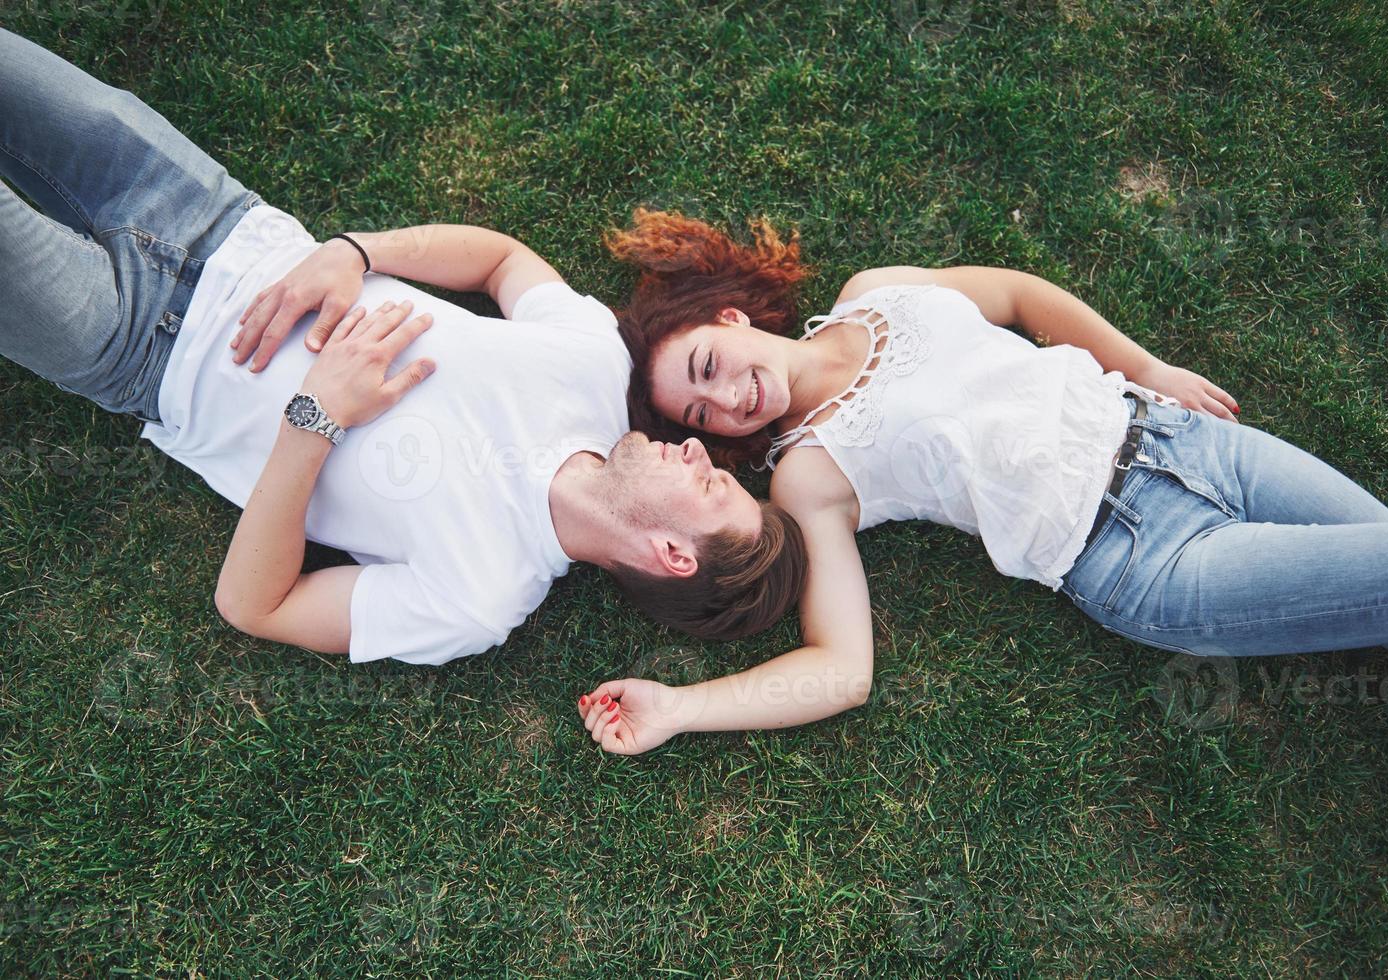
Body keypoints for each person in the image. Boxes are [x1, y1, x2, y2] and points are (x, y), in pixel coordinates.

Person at [0, 30, 808, 681]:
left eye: (710, 488)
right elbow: (500, 261)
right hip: (214, 213)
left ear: (670, 556)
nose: (700, 451)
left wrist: (315, 418)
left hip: (137, 351)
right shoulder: (596, 366)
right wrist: (355, 250)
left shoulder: (478, 597)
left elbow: (255, 606)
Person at [572, 208, 1388, 755]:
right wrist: (681, 708)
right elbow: (841, 671)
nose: (728, 397)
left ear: (728, 318)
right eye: (702, 415)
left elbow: (1015, 293)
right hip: (1148, 562)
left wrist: (1145, 366)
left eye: (707, 365)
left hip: (1189, 442)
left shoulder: (877, 291)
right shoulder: (810, 476)